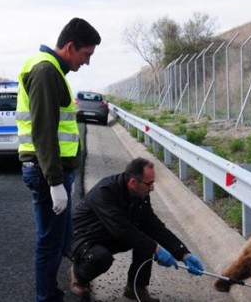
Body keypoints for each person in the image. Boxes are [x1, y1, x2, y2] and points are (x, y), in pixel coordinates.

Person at [16, 17, 101, 302]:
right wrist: (54, 182)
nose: (86, 62)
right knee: (49, 243)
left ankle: (51, 291)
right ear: (69, 46)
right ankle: (46, 298)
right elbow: (43, 131)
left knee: (61, 239)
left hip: (53, 171)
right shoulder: (45, 72)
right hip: (46, 173)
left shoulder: (52, 70)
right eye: (85, 54)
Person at [69, 157, 205, 302]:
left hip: (106, 234)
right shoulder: (105, 192)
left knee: (146, 236)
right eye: (150, 183)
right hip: (81, 237)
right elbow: (122, 228)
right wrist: (156, 249)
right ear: (133, 182)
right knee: (101, 257)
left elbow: (154, 225)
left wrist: (183, 253)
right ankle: (79, 275)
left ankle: (136, 287)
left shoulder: (140, 194)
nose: (152, 188)